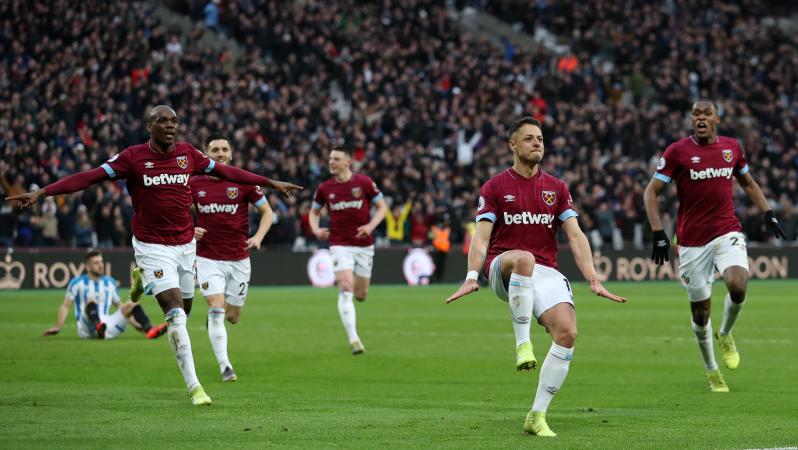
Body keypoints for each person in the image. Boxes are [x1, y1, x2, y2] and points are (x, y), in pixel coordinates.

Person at [8, 105, 302, 406]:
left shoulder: (189, 154)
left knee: (186, 308)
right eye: (163, 121)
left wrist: (269, 183)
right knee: (175, 314)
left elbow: (228, 171)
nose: (170, 125)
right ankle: (195, 387)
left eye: (174, 121)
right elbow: (89, 177)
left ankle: (141, 281)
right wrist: (41, 192)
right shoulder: (132, 158)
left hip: (185, 245)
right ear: (150, 127)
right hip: (152, 247)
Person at [446, 117, 626, 437]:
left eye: (540, 138)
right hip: (504, 266)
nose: (537, 143)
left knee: (568, 333)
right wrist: (472, 275)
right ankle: (523, 344)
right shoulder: (495, 187)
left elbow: (576, 235)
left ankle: (537, 414)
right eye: (529, 138)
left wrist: (593, 278)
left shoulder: (557, 188)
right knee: (524, 258)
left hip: (545, 271)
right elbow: (481, 237)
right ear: (512, 145)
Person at [643, 100, 787, 393]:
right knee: (700, 314)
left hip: (726, 231)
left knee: (738, 285)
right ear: (691, 120)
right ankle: (712, 371)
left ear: (716, 119)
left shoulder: (732, 148)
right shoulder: (677, 152)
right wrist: (658, 230)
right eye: (696, 114)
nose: (701, 118)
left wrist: (767, 211)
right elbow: (651, 192)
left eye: (707, 114)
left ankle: (726, 334)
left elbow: (748, 183)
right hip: (692, 242)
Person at [191, 133, 274, 382]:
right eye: (215, 150)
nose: (220, 154)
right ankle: (225, 366)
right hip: (207, 258)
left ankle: (215, 319)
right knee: (216, 308)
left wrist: (258, 237)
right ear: (206, 154)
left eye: (224, 149)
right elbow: (176, 211)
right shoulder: (194, 183)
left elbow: (267, 212)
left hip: (239, 259)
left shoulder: (244, 181)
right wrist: (189, 229)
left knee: (233, 317)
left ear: (231, 153)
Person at [308, 146, 388, 355]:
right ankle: (354, 340)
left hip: (364, 245)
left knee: (360, 295)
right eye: (330, 158)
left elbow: (382, 207)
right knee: (345, 286)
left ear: (348, 162)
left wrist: (370, 226)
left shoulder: (364, 183)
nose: (331, 162)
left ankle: (354, 333)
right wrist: (316, 229)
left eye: (336, 159)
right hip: (339, 244)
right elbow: (313, 212)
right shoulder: (325, 188)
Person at [43, 250, 167, 340]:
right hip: (86, 327)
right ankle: (98, 326)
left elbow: (119, 306)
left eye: (101, 262)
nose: (100, 265)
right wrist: (58, 326)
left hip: (107, 325)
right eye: (96, 263)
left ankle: (149, 330)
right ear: (88, 266)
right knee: (90, 300)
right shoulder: (77, 283)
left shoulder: (110, 282)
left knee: (131, 304)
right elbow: (66, 306)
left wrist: (135, 324)